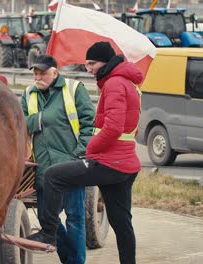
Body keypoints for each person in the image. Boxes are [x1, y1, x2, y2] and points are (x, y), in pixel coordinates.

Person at [26, 42, 143, 264]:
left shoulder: (114, 84)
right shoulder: (128, 83)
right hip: (126, 163)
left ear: (106, 62)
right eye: (86, 64)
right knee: (122, 224)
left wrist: (91, 148)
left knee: (53, 175)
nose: (88, 68)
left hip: (109, 162)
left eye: (92, 63)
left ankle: (48, 231)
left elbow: (114, 127)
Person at [21, 54, 95, 264]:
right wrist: (41, 119)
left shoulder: (73, 89)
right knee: (47, 220)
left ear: (55, 72)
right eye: (35, 73)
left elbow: (89, 123)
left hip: (70, 166)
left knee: (75, 218)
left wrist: (79, 154)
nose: (38, 77)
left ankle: (76, 261)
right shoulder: (28, 94)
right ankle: (69, 258)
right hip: (43, 169)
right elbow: (20, 122)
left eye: (42, 72)